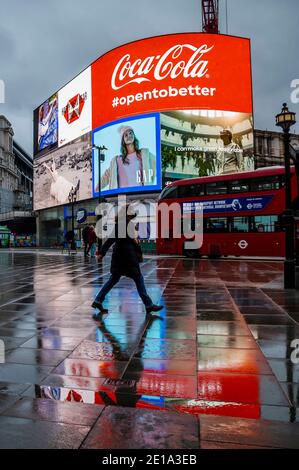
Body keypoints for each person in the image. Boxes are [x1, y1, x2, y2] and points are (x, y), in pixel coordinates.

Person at [91, 208, 163, 318]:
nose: (134, 213)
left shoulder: (124, 223)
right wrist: (101, 253)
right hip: (127, 258)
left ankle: (98, 300)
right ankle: (148, 305)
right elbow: (111, 239)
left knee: (114, 279)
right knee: (138, 278)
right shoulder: (123, 224)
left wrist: (102, 253)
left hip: (122, 257)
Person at [95, 125, 156, 191]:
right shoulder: (117, 160)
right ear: (123, 140)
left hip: (140, 195)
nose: (129, 136)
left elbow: (156, 166)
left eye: (130, 133)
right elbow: (106, 176)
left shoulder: (144, 154)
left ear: (134, 135)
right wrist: (96, 190)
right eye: (126, 135)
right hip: (122, 197)